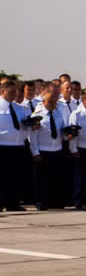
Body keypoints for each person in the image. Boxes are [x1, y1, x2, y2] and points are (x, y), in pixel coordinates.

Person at [30, 87, 78, 210]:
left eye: (54, 102)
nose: (52, 104)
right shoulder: (37, 115)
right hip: (43, 150)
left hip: (56, 149)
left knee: (56, 178)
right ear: (44, 101)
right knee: (42, 180)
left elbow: (62, 130)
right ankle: (41, 201)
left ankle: (55, 201)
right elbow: (32, 136)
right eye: (50, 101)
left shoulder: (57, 113)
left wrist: (68, 135)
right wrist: (35, 152)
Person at [0, 79, 31, 211]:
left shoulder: (20, 108)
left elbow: (26, 124)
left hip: (18, 145)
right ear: (2, 92)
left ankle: (13, 202)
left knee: (16, 176)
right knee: (2, 177)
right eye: (11, 92)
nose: (14, 95)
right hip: (3, 146)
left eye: (16, 92)